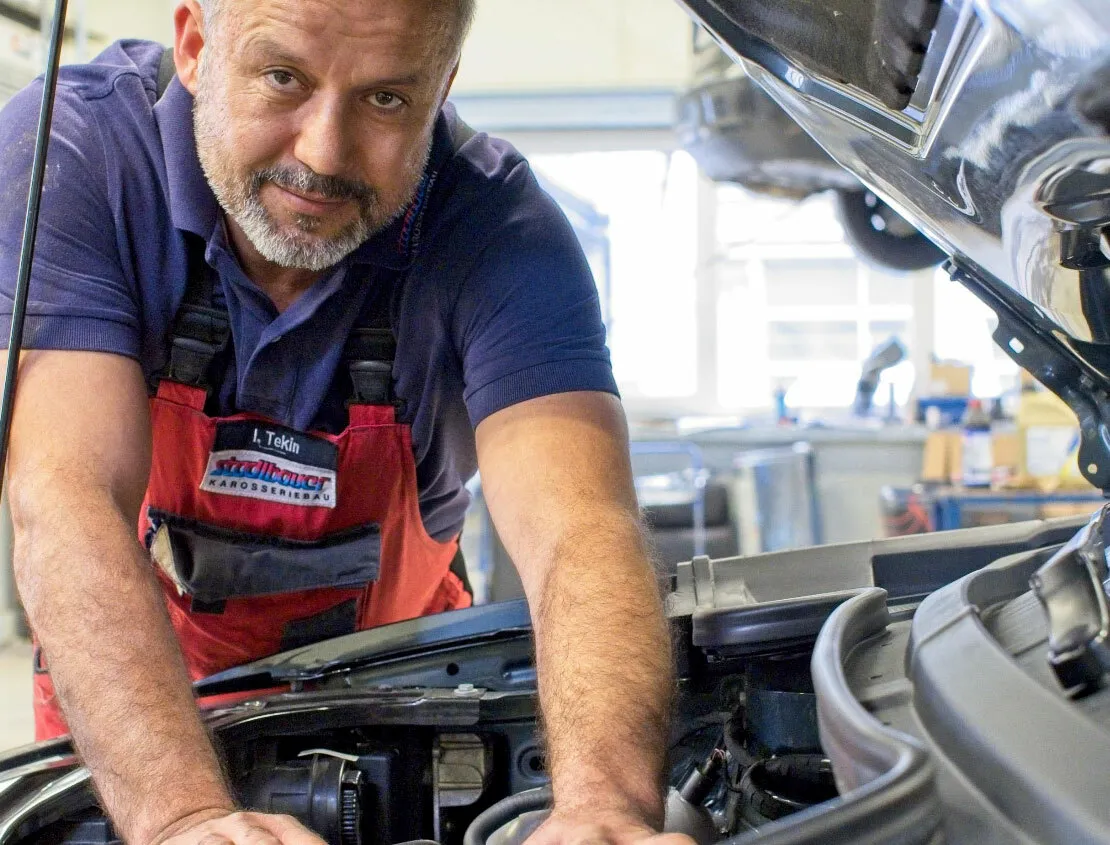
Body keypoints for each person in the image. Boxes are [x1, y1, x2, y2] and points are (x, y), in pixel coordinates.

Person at [0, 2, 685, 845]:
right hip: (131, 707)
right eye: (283, 78)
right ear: (194, 45)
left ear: (443, 87)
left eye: (388, 100)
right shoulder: (81, 156)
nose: (324, 153)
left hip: (398, 701)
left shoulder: (501, 233)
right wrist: (183, 818)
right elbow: (67, 499)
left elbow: (582, 528)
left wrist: (605, 809)